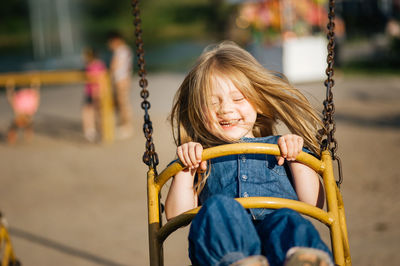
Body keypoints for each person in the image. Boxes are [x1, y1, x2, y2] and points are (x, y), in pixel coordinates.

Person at [165, 41, 334, 266]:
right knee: (217, 208)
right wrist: (185, 169)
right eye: (212, 102)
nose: (225, 109)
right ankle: (239, 262)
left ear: (259, 102)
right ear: (197, 109)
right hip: (228, 251)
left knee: (287, 218)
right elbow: (177, 216)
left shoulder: (280, 147)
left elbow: (313, 204)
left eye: (237, 99)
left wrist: (298, 159)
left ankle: (304, 260)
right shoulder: (201, 155)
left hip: (280, 251)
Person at [107, 31, 134, 139]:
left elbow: (115, 66)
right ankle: (124, 124)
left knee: (123, 103)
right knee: (121, 103)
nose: (109, 45)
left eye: (110, 42)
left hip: (121, 80)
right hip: (122, 79)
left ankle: (126, 126)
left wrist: (109, 75)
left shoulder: (121, 50)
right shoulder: (124, 50)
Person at [82, 48, 107, 142]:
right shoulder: (98, 65)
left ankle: (94, 130)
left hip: (95, 91)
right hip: (92, 91)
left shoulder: (94, 66)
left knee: (93, 111)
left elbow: (99, 78)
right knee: (90, 111)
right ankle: (91, 130)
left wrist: (98, 91)